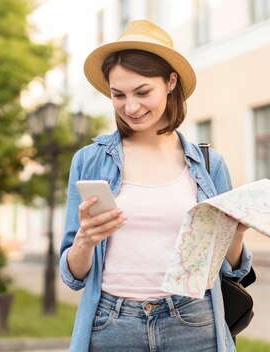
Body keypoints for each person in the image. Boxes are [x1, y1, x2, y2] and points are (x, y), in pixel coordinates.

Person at [59, 20, 252, 352]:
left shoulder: (209, 165)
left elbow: (230, 270)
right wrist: (84, 242)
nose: (130, 107)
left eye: (142, 92)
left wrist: (236, 233)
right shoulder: (90, 161)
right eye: (118, 95)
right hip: (112, 324)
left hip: (192, 321)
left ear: (170, 82)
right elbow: (73, 275)